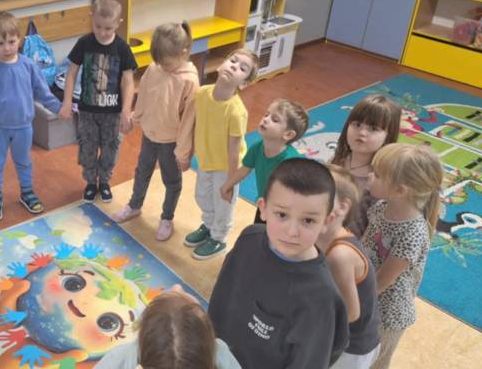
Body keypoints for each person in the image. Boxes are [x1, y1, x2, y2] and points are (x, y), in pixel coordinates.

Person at [208, 158, 349, 368]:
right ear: (263, 209)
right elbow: (220, 299)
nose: (292, 231)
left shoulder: (320, 298)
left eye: (308, 220)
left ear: (326, 222)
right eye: (282, 215)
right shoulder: (248, 239)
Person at [111, 22, 199, 241]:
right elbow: (145, 96)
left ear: (184, 52)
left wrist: (184, 152)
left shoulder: (189, 80)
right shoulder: (154, 69)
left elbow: (189, 119)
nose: (162, 66)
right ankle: (134, 205)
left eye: (166, 63)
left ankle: (167, 217)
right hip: (150, 134)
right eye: (159, 61)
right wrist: (134, 118)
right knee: (142, 171)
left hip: (171, 142)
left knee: (172, 181)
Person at [0, 11, 62, 223]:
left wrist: (60, 108)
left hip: (24, 127)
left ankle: (27, 192)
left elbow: (43, 92)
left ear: (19, 39)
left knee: (24, 161)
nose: (7, 48)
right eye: (0, 43)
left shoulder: (28, 65)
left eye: (12, 42)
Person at [363, 143, 443, 369]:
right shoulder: (381, 207)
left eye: (377, 175)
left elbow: (382, 282)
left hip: (387, 315)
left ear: (400, 190)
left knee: (374, 362)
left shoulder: (412, 233)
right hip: (366, 298)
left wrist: (349, 298)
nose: (369, 176)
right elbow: (363, 246)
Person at [58, 0, 138, 203]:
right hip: (87, 111)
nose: (102, 32)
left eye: (108, 28)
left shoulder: (122, 48)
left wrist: (126, 111)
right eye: (98, 26)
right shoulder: (84, 43)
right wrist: (67, 102)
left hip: (113, 113)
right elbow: (71, 73)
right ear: (91, 18)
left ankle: (104, 181)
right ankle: (91, 183)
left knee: (111, 148)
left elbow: (128, 81)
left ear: (118, 23)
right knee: (88, 148)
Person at [183, 49, 257, 260]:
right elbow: (193, 124)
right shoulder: (202, 93)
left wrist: (230, 183)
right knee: (202, 196)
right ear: (222, 63)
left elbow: (234, 149)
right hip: (205, 159)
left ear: (243, 83)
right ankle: (208, 225)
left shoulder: (236, 111)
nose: (234, 66)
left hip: (227, 167)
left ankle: (219, 238)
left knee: (223, 203)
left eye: (242, 68)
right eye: (233, 60)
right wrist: (187, 152)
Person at [317, 165, 381, 368]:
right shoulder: (321, 240)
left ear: (342, 207)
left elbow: (351, 314)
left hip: (352, 349)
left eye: (318, 194)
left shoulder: (339, 256)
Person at [95, 287, 240, 369]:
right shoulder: (220, 352)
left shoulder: (122, 356)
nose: (178, 287)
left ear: (140, 337)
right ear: (210, 340)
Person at [219, 98, 308, 224]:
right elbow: (245, 169)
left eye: (275, 119)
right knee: (259, 231)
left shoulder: (290, 163)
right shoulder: (257, 147)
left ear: (288, 135)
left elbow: (296, 194)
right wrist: (227, 186)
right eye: (266, 115)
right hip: (265, 204)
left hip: (286, 213)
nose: (265, 119)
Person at [330, 94, 401, 236]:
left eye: (373, 128)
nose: (362, 132)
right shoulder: (338, 159)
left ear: (388, 136)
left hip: (352, 243)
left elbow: (378, 230)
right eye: (357, 124)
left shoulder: (380, 179)